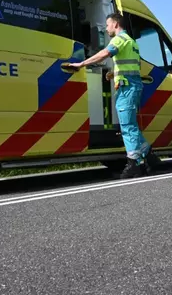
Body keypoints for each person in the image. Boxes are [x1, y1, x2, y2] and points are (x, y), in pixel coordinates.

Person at [63, 13, 158, 178]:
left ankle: (133, 163)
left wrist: (82, 63)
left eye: (108, 25)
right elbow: (131, 67)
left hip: (127, 88)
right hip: (132, 85)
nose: (106, 29)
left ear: (115, 24)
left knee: (127, 126)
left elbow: (103, 54)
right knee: (130, 125)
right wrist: (114, 73)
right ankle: (150, 156)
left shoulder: (119, 40)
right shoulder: (132, 42)